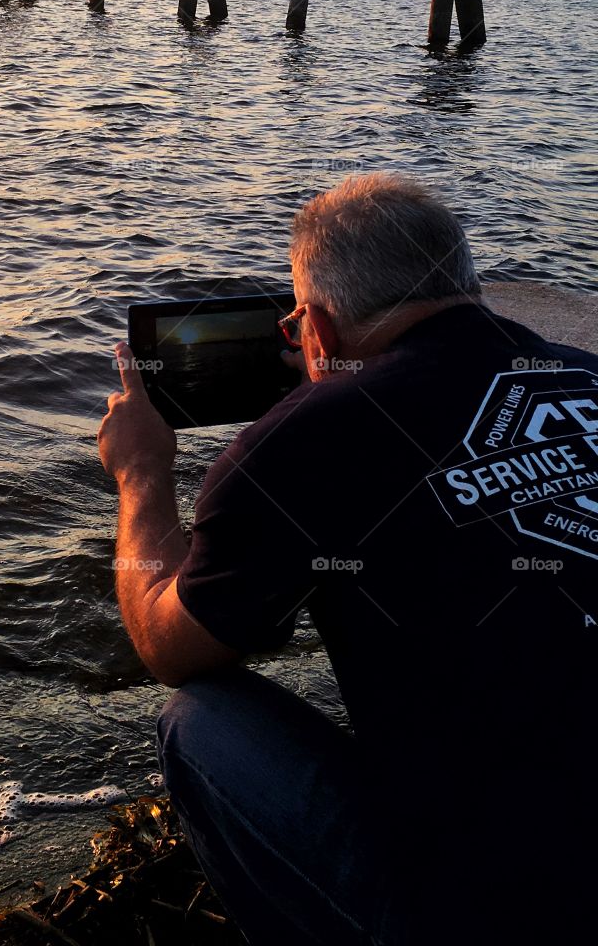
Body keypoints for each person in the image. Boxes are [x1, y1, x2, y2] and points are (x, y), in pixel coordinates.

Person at [97, 172, 598, 945]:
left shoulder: (307, 438)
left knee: (202, 719)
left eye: (296, 334)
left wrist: (140, 477)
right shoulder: (582, 372)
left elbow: (169, 644)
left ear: (317, 331)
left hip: (507, 908)